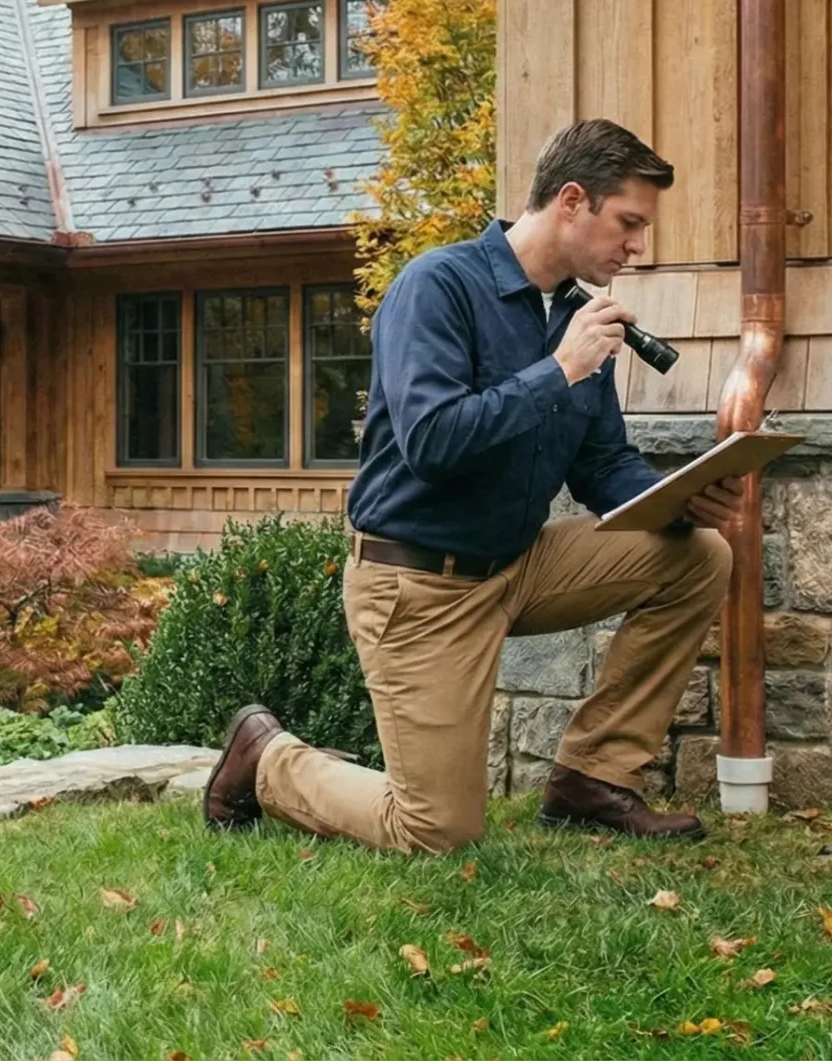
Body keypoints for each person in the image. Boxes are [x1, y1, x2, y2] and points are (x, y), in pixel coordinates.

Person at [202, 119, 740, 853]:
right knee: (434, 828)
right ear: (573, 201)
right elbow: (433, 442)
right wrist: (560, 370)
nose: (638, 246)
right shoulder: (437, 287)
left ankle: (591, 777)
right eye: (629, 223)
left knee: (699, 554)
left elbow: (602, 466)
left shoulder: (575, 319)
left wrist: (679, 497)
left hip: (515, 565)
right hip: (419, 584)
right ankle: (266, 756)